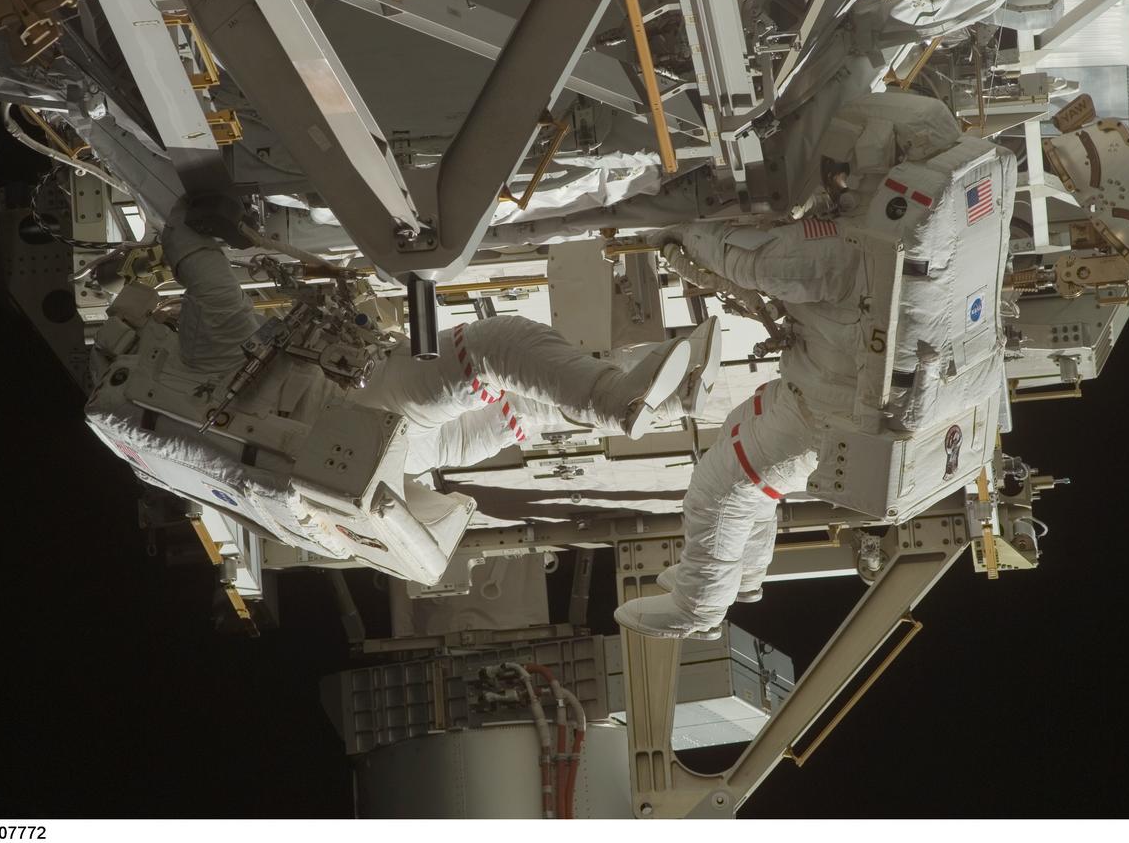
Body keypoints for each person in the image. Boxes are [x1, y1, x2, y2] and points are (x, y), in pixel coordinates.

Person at [87, 201, 719, 584]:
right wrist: (186, 223)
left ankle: (671, 397)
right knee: (495, 348)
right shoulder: (205, 352)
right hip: (364, 420)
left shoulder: (174, 416)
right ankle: (619, 398)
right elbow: (193, 248)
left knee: (525, 406)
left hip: (395, 459)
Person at [615, 91, 1016, 639]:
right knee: (740, 446)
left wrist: (680, 231)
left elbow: (755, 261)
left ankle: (697, 610)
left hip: (828, 414)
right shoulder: (952, 226)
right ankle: (744, 577)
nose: (834, 175)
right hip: (860, 402)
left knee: (720, 489)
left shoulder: (851, 248)